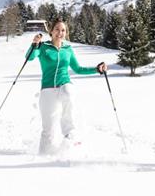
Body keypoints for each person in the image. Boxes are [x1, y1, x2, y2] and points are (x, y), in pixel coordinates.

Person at [27, 19, 107, 154]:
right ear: (51, 31)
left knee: (68, 92)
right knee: (48, 129)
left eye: (63, 30)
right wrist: (34, 45)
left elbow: (78, 69)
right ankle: (45, 155)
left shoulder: (67, 49)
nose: (60, 33)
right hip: (47, 89)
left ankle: (70, 134)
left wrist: (96, 69)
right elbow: (29, 57)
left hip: (64, 83)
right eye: (57, 29)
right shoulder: (43, 47)